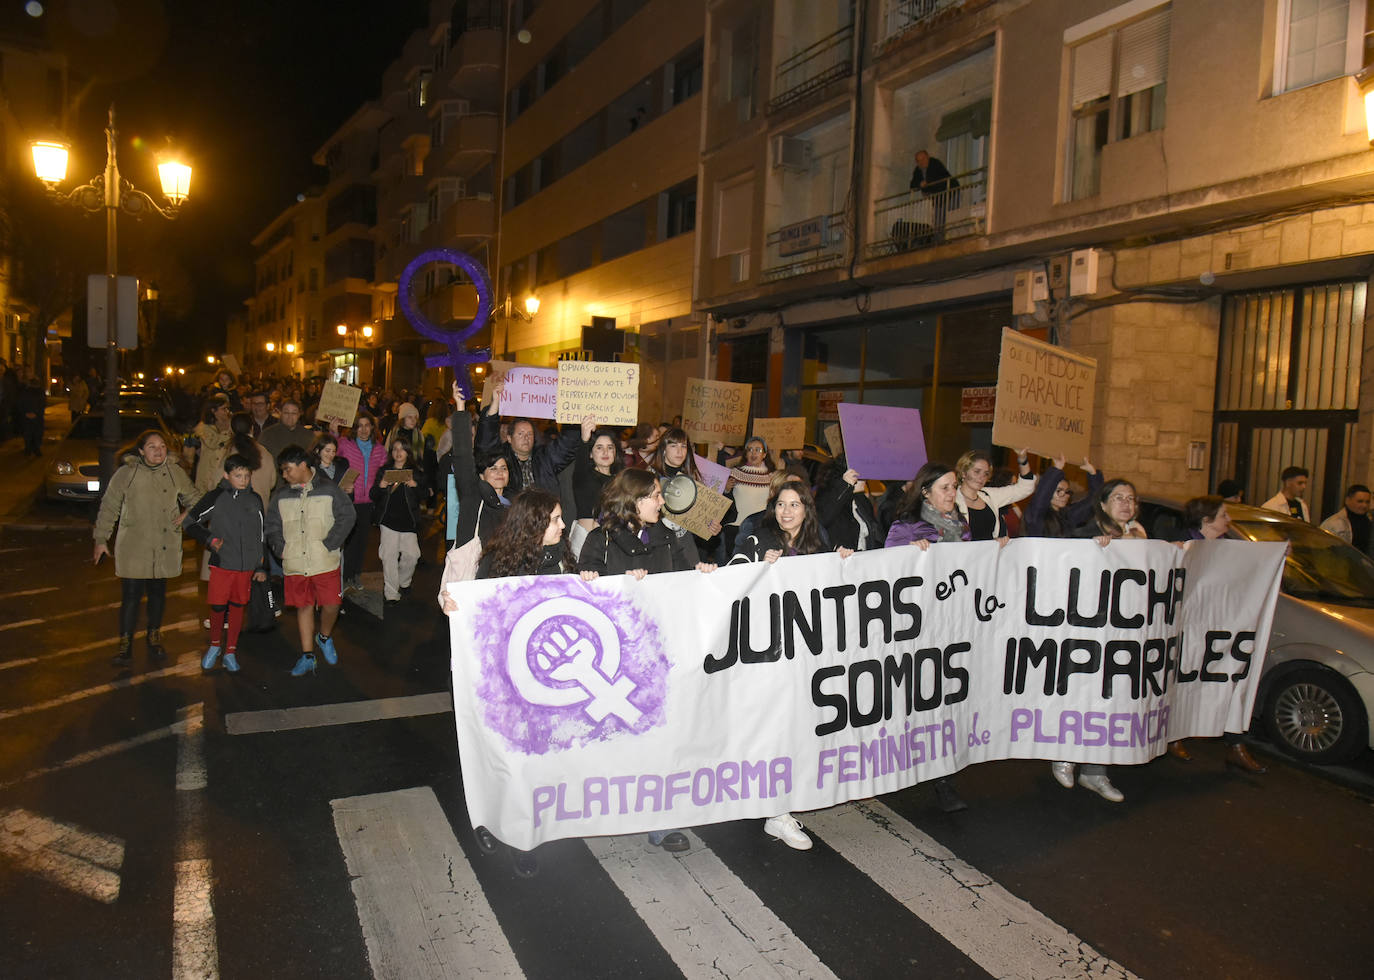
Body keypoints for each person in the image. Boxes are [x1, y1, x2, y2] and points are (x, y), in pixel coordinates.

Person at [578, 467, 716, 853]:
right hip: (617, 661)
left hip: (662, 654)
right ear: (634, 501)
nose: (661, 501)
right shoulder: (601, 539)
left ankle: (660, 820)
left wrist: (703, 572)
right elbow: (586, 587)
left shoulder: (672, 535)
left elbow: (691, 578)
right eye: (654, 495)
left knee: (661, 737)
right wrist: (597, 578)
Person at [730, 478, 853, 850]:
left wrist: (843, 562)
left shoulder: (818, 541)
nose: (786, 512)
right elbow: (731, 573)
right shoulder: (757, 534)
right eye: (781, 504)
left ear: (806, 510)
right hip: (767, 652)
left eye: (794, 505)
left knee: (797, 727)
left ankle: (778, 807)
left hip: (804, 652)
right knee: (774, 728)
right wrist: (756, 566)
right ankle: (777, 813)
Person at [1171, 494, 1269, 774]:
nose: (1229, 520)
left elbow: (1256, 565)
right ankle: (1175, 734)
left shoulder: (1231, 549)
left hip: (1219, 630)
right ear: (1206, 521)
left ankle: (1236, 746)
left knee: (1228, 680)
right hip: (1187, 628)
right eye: (1224, 515)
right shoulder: (1183, 542)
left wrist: (1278, 555)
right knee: (1184, 680)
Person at [92, 430, 202, 665]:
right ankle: (125, 644)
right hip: (134, 545)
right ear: (141, 451)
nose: (158, 450)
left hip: (164, 546)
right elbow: (109, 506)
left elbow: (195, 499)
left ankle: (154, 636)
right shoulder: (127, 473)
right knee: (131, 596)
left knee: (157, 594)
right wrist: (101, 539)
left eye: (162, 446)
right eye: (152, 446)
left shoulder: (174, 472)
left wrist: (186, 515)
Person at [265, 444, 357, 676]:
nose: (284, 475)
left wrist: (330, 543)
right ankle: (307, 656)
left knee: (332, 605)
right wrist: (280, 548)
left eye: (287, 470)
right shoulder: (281, 496)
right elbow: (272, 526)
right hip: (295, 562)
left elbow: (348, 515)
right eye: (282, 471)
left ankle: (324, 637)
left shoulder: (329, 489)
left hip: (324, 561)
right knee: (304, 606)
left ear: (303, 465)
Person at [183, 453, 269, 673]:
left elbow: (261, 534)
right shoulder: (216, 496)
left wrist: (260, 565)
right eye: (237, 475)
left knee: (238, 606)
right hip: (223, 563)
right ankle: (214, 646)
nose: (243, 479)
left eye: (246, 475)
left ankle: (230, 651)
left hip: (246, 566)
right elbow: (190, 522)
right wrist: (209, 540)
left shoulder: (255, 499)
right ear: (226, 475)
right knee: (219, 606)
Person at [476, 393, 581, 496]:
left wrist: (572, 411)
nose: (526, 438)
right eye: (520, 434)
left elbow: (568, 444)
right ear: (509, 438)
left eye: (529, 434)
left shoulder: (545, 457)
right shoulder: (501, 458)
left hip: (544, 510)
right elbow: (486, 442)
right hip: (511, 511)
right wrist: (494, 406)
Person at [452, 383, 512, 548]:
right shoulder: (473, 496)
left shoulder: (514, 505)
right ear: (481, 476)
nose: (499, 472)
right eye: (493, 468)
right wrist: (461, 407)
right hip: (473, 572)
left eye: (503, 468)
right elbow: (462, 454)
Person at [371, 437, 426, 604]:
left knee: (412, 555)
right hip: (388, 521)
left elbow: (425, 495)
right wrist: (381, 486)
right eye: (395, 449)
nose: (398, 452)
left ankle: (403, 581)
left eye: (402, 449)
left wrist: (415, 485)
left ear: (408, 452)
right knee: (389, 556)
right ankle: (391, 593)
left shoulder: (415, 471)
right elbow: (373, 495)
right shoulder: (384, 471)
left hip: (408, 521)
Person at [336, 413, 387, 589]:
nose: (364, 429)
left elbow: (383, 472)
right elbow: (330, 453)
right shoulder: (345, 444)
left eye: (367, 425)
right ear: (354, 428)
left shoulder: (379, 449)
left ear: (372, 428)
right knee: (348, 541)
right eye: (360, 425)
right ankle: (345, 575)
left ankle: (356, 574)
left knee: (362, 541)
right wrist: (334, 432)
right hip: (349, 499)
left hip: (368, 502)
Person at [954, 449, 1034, 541]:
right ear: (963, 473)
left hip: (990, 554)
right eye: (977, 471)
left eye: (986, 474)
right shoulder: (951, 498)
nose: (981, 477)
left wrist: (1022, 459)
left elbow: (1025, 487)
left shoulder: (990, 495)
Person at [1022, 456, 1102, 538]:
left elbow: (1093, 502)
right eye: (1059, 490)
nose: (1065, 495)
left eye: (1067, 491)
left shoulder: (1067, 516)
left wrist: (1093, 474)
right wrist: (1056, 469)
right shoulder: (1035, 514)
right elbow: (1041, 498)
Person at [815, 457, 883, 552]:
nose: (864, 480)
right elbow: (824, 517)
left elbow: (875, 535)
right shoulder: (829, 498)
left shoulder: (861, 500)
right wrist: (844, 485)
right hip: (840, 561)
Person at [572, 422, 622, 527]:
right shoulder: (584, 477)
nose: (605, 452)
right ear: (590, 453)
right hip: (586, 539)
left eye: (610, 447)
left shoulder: (621, 480)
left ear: (615, 452)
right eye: (599, 448)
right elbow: (581, 461)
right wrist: (584, 440)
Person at [909, 149, 959, 239]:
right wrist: (920, 184)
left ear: (928, 157)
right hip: (938, 198)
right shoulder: (918, 170)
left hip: (951, 193)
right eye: (919, 161)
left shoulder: (935, 163)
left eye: (923, 159)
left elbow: (935, 180)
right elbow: (912, 185)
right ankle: (939, 241)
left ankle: (952, 238)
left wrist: (924, 186)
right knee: (938, 221)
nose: (921, 162)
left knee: (951, 218)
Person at [192, 396, 234, 493]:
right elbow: (213, 443)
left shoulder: (230, 426)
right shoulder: (203, 428)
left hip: (221, 472)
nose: (227, 412)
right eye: (223, 409)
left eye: (228, 408)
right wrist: (227, 433)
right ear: (213, 411)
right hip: (206, 472)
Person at [1320, 484, 1372, 554]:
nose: (1364, 505)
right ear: (1347, 500)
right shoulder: (1334, 523)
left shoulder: (1369, 521)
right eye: (1360, 501)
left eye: (1367, 502)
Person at [17, 372, 45, 457]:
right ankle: (36, 449)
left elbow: (21, 403)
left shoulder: (25, 391)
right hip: (36, 416)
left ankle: (28, 449)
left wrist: (25, 413)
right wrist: (37, 413)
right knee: (36, 433)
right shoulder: (40, 392)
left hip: (28, 416)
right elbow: (42, 404)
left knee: (28, 433)